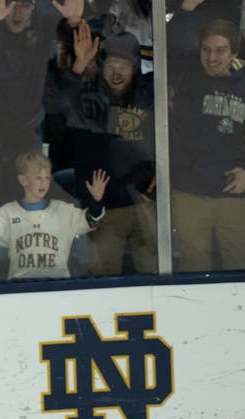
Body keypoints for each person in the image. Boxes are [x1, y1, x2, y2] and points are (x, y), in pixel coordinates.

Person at [0, 0, 85, 209]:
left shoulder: (44, 16)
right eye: (13, 6)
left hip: (27, 122)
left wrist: (73, 24)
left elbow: (70, 38)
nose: (18, 14)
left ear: (34, 6)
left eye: (25, 6)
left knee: (35, 186)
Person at [59, 26, 158, 275]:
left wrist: (160, 174)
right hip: (103, 208)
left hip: (143, 204)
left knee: (153, 277)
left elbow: (172, 137)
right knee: (104, 279)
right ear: (101, 66)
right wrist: (79, 66)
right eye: (111, 65)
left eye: (124, 66)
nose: (116, 72)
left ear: (135, 67)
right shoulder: (87, 97)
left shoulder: (150, 96)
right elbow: (57, 105)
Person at [169, 18, 245, 272]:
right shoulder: (186, 76)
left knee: (239, 267)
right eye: (206, 49)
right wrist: (186, 11)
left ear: (234, 53)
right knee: (194, 267)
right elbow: (168, 39)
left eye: (220, 50)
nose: (212, 57)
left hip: (234, 196)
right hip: (190, 194)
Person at [0, 150, 109, 280]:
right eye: (38, 178)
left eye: (47, 178)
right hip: (20, 287)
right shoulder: (7, 212)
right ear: (23, 180)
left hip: (58, 287)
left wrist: (96, 201)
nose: (43, 182)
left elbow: (91, 219)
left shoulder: (63, 211)